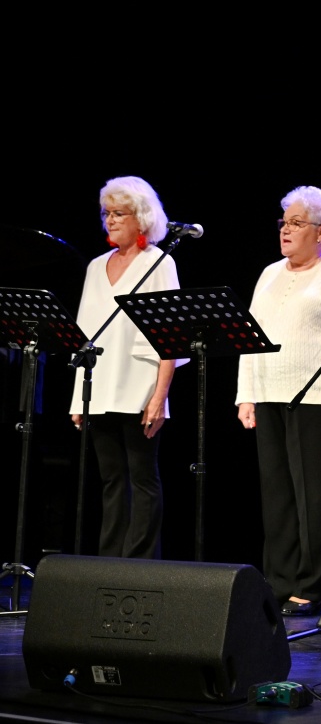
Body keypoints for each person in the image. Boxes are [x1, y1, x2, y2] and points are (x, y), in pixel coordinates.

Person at [235, 186, 321, 617]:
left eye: (296, 223)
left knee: (316, 499)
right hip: (269, 394)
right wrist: (246, 394)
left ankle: (311, 587)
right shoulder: (269, 273)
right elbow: (249, 337)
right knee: (277, 497)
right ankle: (277, 582)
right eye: (284, 222)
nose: (285, 230)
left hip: (318, 399)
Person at [68, 176, 186, 559]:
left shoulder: (159, 263)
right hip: (100, 386)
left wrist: (160, 396)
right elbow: (84, 335)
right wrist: (78, 397)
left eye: (119, 213)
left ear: (141, 217)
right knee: (111, 479)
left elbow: (171, 336)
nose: (110, 220)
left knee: (142, 477)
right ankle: (109, 561)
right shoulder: (95, 267)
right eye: (107, 213)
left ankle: (139, 564)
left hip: (140, 385)